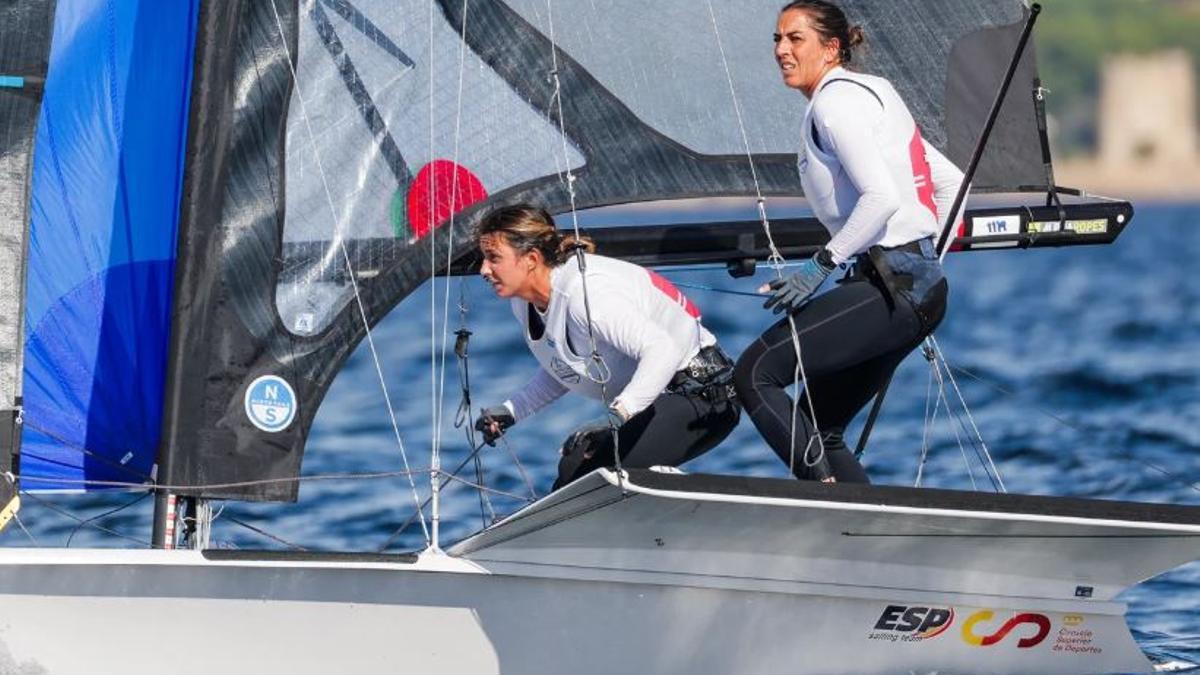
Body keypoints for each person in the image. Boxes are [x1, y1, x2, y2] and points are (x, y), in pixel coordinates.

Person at [733, 0, 965, 483]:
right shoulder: (874, 91)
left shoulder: (834, 105)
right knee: (819, 426)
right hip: (915, 288)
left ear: (831, 47)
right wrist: (927, 261)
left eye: (795, 38)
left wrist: (820, 266)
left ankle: (825, 502)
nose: (781, 50)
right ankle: (858, 516)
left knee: (755, 373)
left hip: (892, 290)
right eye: (777, 39)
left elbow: (881, 198)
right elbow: (953, 184)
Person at [474, 204, 741, 490]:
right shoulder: (524, 302)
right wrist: (511, 410)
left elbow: (662, 349)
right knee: (572, 468)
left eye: (494, 258)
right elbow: (566, 366)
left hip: (706, 397)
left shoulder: (584, 294)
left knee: (587, 481)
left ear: (531, 259)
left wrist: (617, 415)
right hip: (657, 401)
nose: (483, 270)